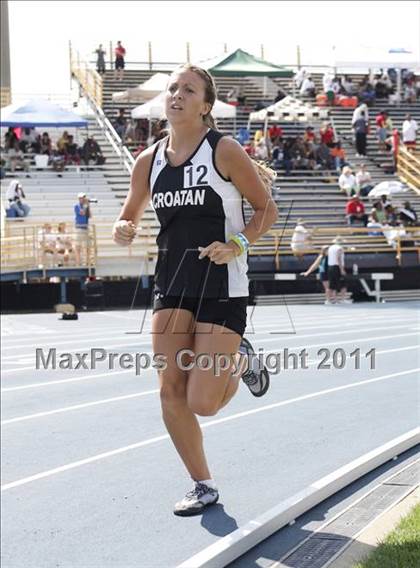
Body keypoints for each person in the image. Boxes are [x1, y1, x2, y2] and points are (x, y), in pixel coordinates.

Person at [112, 63, 278, 516]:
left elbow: (266, 210)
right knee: (170, 391)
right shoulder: (148, 161)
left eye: (188, 89)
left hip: (223, 282)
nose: (177, 95)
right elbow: (128, 214)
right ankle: (203, 485)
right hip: (171, 284)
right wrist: (122, 227)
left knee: (202, 402)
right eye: (172, 88)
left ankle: (241, 357)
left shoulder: (222, 151)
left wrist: (237, 243)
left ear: (206, 105)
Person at [327, 237, 350, 304]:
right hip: (337, 267)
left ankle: (334, 300)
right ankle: (343, 299)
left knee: (332, 284)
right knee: (343, 283)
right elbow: (338, 258)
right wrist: (342, 269)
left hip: (330, 266)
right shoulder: (339, 248)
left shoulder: (330, 248)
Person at [74, 192, 91, 265]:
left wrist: (88, 206)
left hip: (85, 228)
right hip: (79, 228)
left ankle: (86, 262)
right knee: (78, 246)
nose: (82, 199)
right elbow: (82, 213)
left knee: (87, 246)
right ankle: (78, 263)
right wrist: (86, 205)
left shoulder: (86, 206)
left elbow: (89, 215)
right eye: (81, 198)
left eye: (83, 198)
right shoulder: (77, 206)